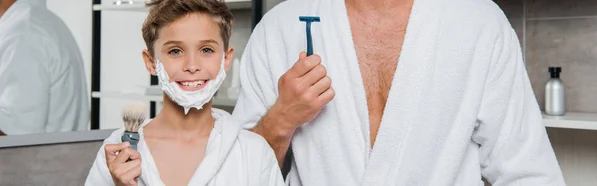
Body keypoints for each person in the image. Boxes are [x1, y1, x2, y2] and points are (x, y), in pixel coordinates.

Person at [232, 0, 566, 185]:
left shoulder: (479, 22)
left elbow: (529, 174)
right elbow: (240, 176)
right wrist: (279, 121)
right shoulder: (280, 28)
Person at [85, 0, 284, 185]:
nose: (192, 66)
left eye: (206, 50)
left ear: (226, 59)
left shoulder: (253, 152)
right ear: (151, 62)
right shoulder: (117, 150)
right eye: (175, 51)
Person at [0, 0, 89, 135]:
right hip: (61, 153)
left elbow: (15, 138)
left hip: (34, 155)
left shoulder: (24, 35)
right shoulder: (45, 22)